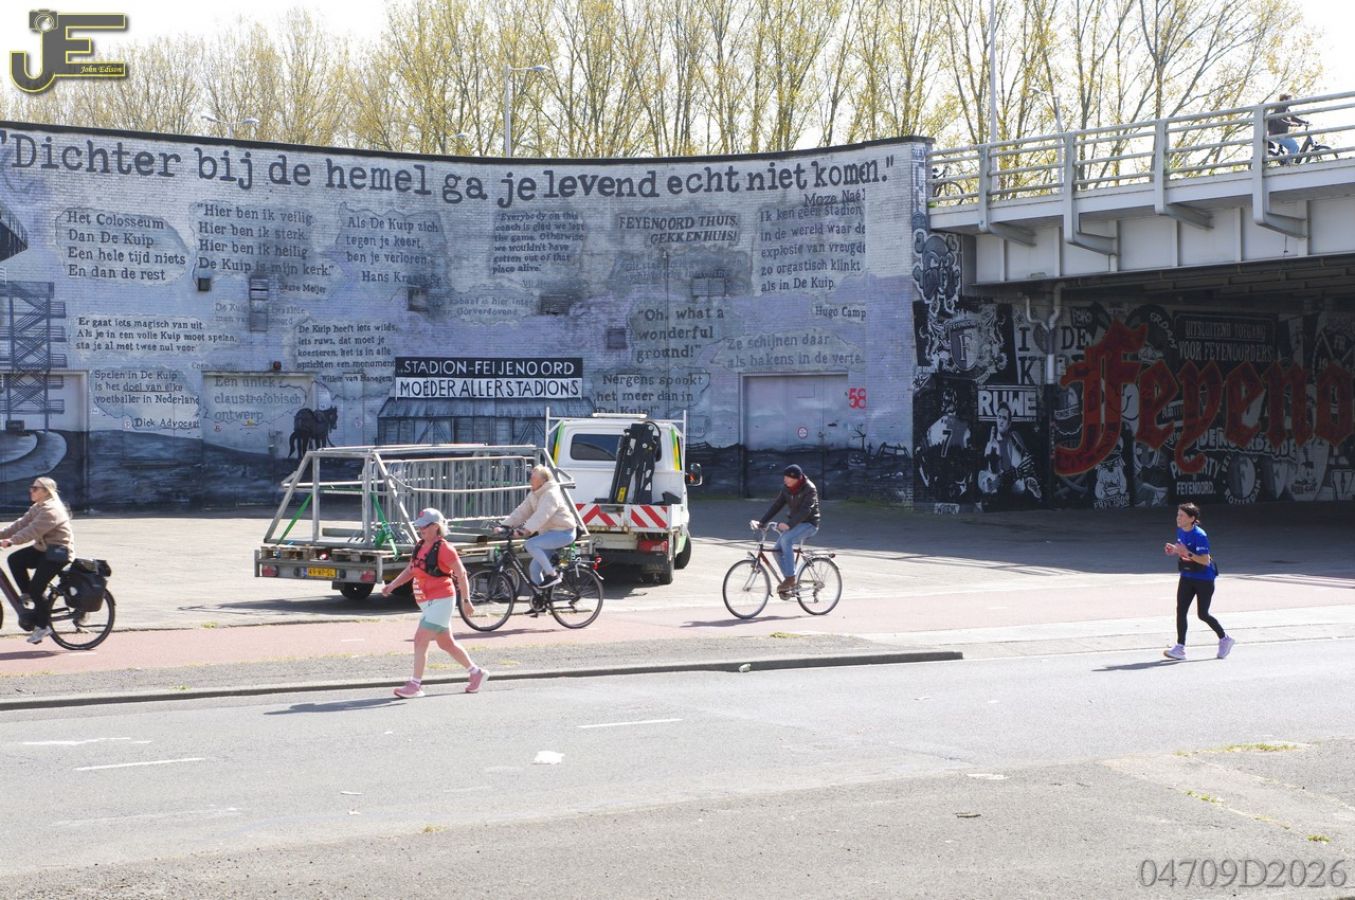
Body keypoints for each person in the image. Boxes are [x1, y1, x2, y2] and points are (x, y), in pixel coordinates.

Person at [382, 507, 487, 698]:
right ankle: (476, 673)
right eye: (419, 526)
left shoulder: (445, 549)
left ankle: (415, 685)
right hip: (428, 603)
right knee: (447, 644)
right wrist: (392, 585)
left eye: (424, 526)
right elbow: (411, 570)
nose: (420, 529)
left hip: (442, 601)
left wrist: (466, 600)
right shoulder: (420, 545)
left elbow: (461, 573)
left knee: (420, 640)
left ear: (436, 527)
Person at [0, 477, 74, 646]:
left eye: (35, 488)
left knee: (36, 588)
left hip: (58, 553)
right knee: (15, 560)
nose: (31, 491)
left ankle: (42, 626)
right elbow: (20, 524)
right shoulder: (38, 507)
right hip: (43, 550)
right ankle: (29, 595)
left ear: (46, 491)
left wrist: (11, 541)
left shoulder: (52, 510)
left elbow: (31, 531)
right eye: (31, 487)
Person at [1161, 502, 1234, 661]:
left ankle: (1225, 639)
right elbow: (1184, 552)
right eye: (1178, 515)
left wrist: (1186, 552)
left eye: (1182, 515)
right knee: (1181, 610)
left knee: (1203, 614)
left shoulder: (1200, 535)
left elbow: (1205, 560)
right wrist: (1175, 550)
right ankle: (1180, 648)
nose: (1178, 518)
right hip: (1187, 576)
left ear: (1192, 518)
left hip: (1204, 579)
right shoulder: (1181, 531)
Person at [502, 465, 576, 590]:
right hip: (549, 534)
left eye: (533, 477)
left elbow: (541, 515)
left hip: (564, 532)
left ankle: (553, 575)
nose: (530, 480)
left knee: (530, 544)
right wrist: (505, 525)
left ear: (543, 480)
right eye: (531, 477)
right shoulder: (534, 493)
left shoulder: (551, 494)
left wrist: (525, 530)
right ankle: (540, 599)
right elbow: (522, 511)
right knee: (534, 569)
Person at [754, 464, 821, 597]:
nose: (785, 480)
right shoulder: (787, 488)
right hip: (796, 524)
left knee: (786, 540)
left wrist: (789, 525)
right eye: (784, 477)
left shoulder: (809, 488)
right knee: (777, 551)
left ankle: (790, 578)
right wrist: (762, 522)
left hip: (809, 524)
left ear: (796, 478)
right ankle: (790, 582)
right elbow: (777, 505)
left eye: (787, 478)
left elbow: (806, 510)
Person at [979, 403, 1041, 500]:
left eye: (1004, 418)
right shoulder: (989, 440)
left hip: (1017, 494)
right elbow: (985, 479)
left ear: (1009, 423)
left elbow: (1027, 463)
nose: (1001, 421)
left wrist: (1031, 481)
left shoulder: (1015, 437)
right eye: (999, 417)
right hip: (996, 495)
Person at [1267, 93, 1306, 163]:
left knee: (1296, 147)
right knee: (1293, 146)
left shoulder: (1287, 110)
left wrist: (1304, 122)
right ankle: (1288, 163)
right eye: (1290, 100)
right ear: (1284, 100)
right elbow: (1279, 120)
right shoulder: (1279, 108)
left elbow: (1293, 118)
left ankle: (1287, 161)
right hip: (1276, 134)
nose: (1291, 101)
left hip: (1282, 134)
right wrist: (1290, 124)